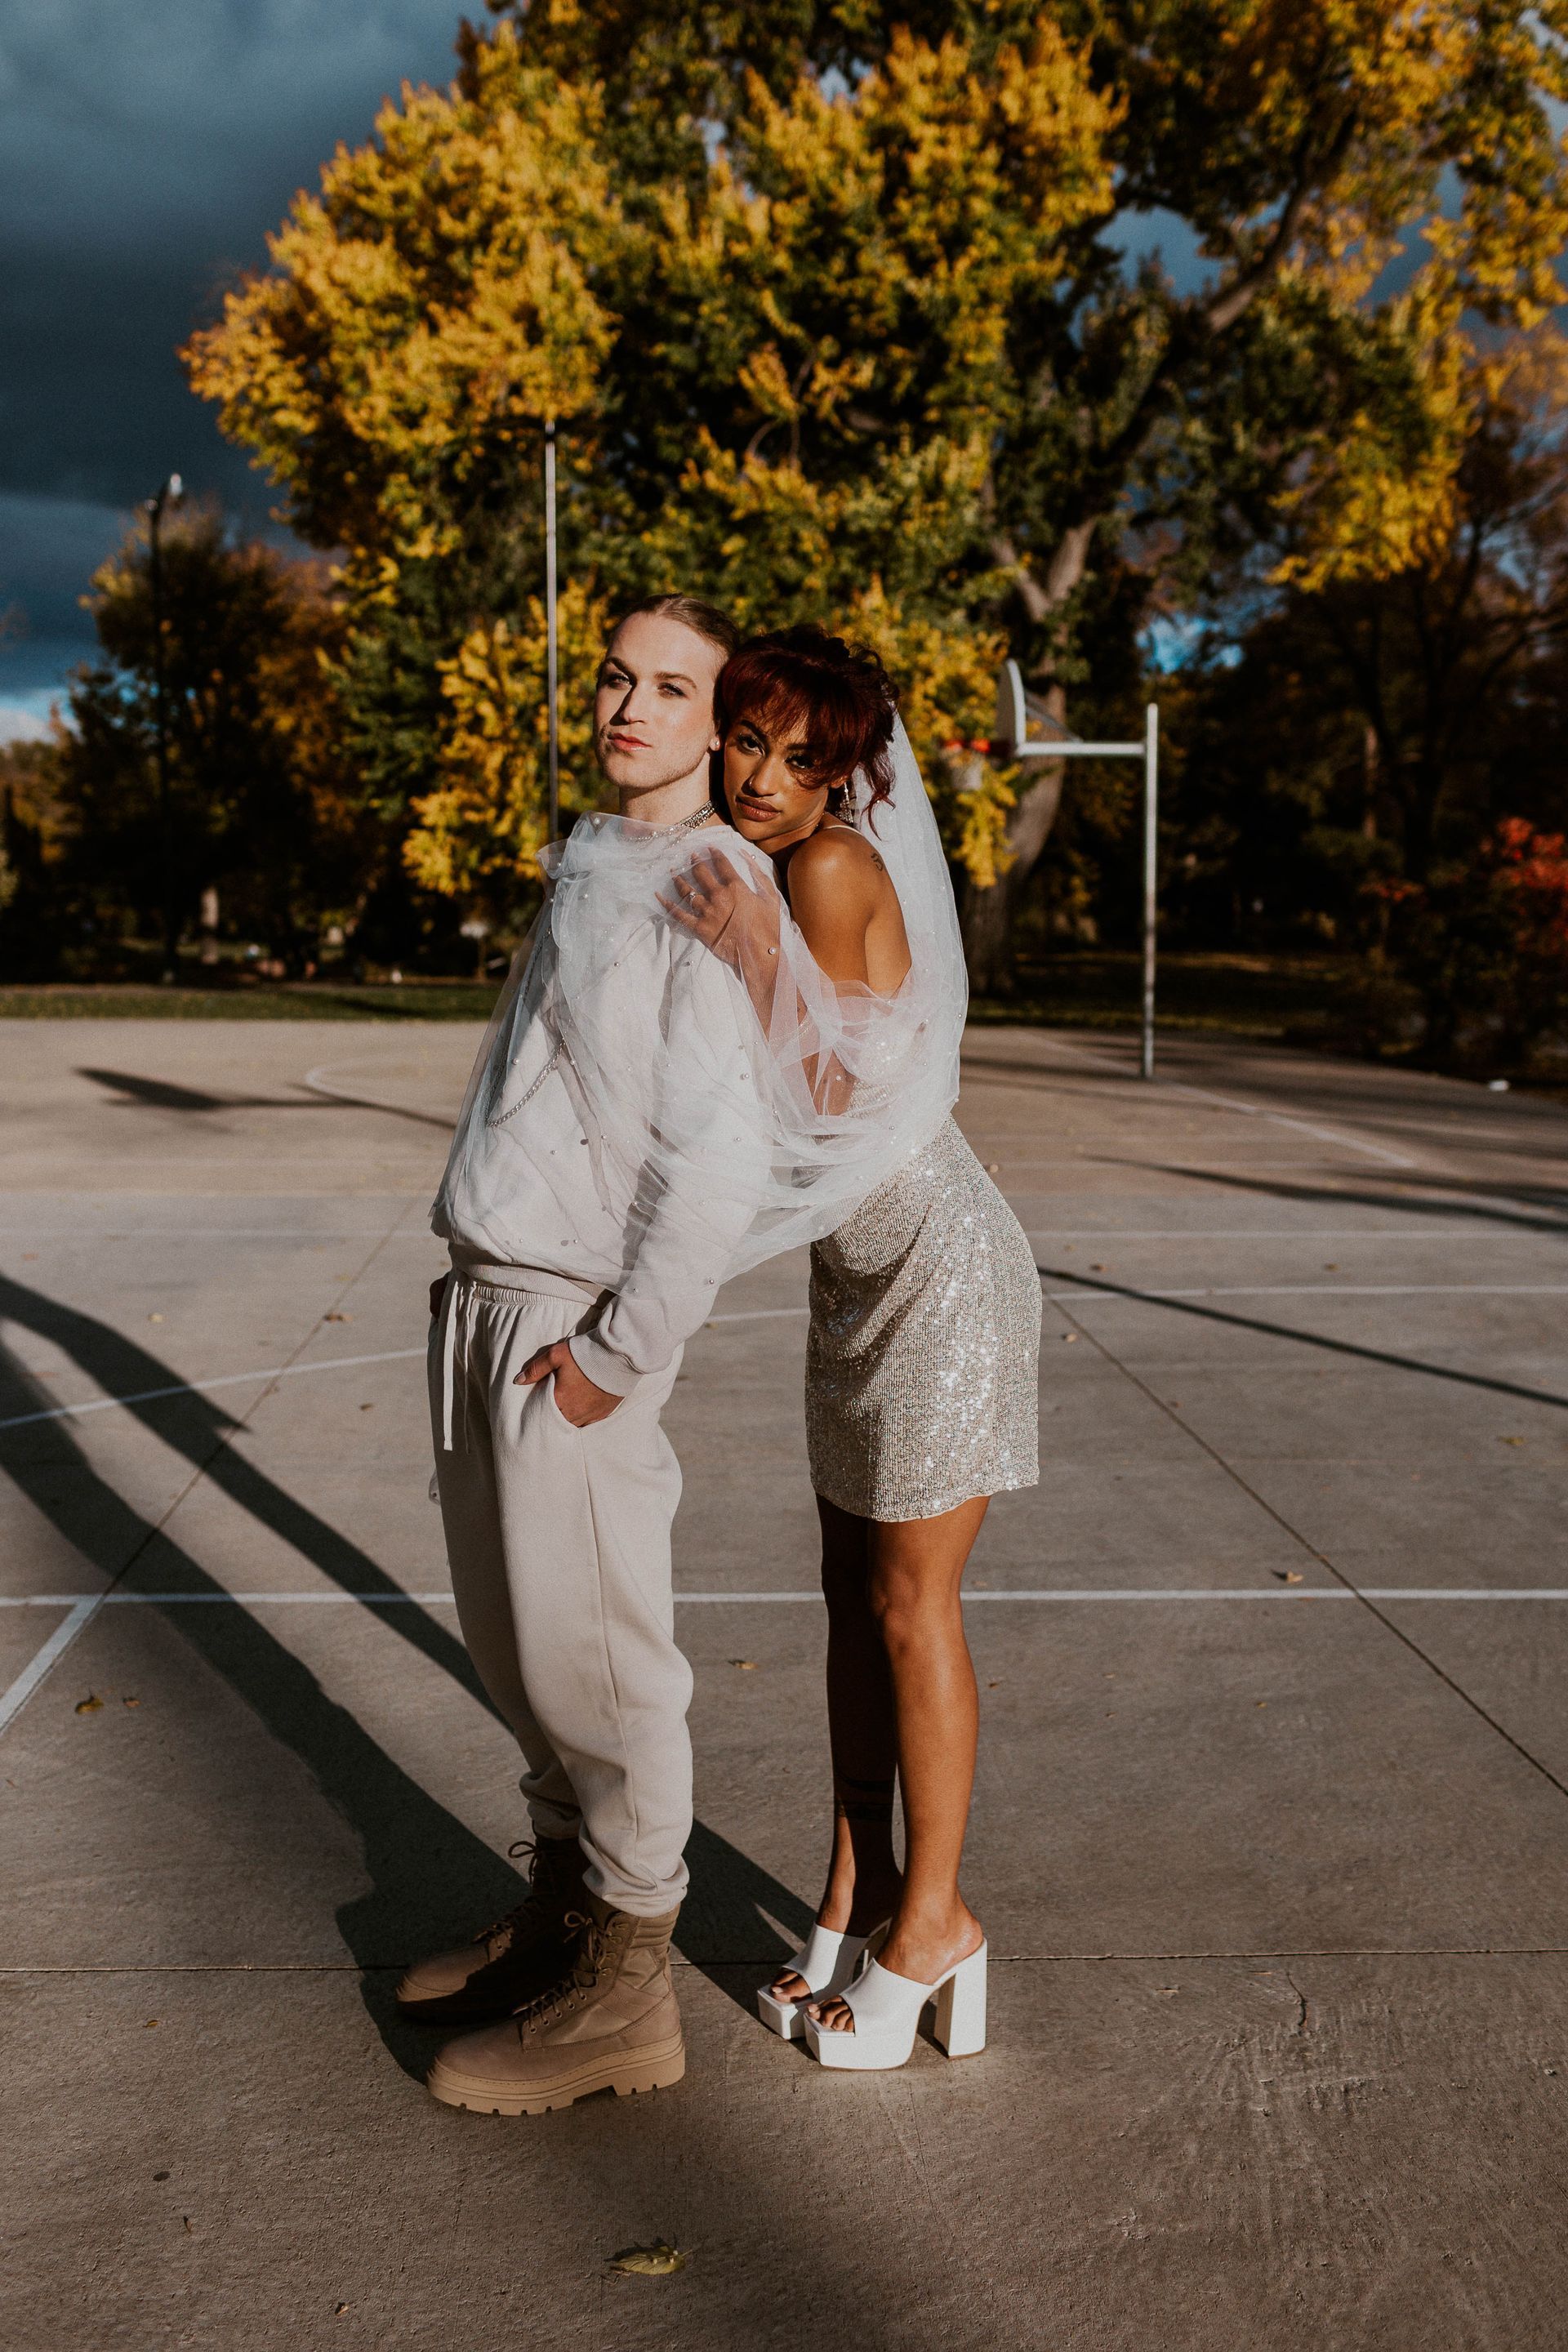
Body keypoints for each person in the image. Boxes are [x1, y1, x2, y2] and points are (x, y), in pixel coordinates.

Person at [664, 628, 1041, 2072]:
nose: (761, 777)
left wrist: (753, 947)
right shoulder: (771, 867)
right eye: (746, 741)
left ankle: (936, 1922)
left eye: (798, 756)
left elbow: (825, 1096)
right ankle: (861, 1888)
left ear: (848, 777)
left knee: (908, 1611)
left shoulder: (820, 874)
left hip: (937, 1274)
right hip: (857, 1275)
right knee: (846, 1602)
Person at [400, 592, 756, 2118]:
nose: (629, 707)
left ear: (716, 725)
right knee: (516, 1649)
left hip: (574, 1323)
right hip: (484, 1295)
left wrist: (619, 1353)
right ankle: (563, 1912)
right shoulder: (596, 856)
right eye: (619, 678)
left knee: (606, 1668)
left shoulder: (710, 886)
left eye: (670, 689)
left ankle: (626, 1994)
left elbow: (719, 1165)